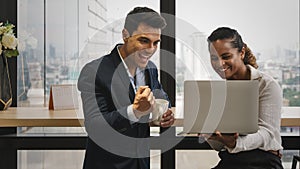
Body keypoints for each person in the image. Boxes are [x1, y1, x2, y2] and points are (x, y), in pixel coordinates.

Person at [77, 7, 174, 169]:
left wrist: (165, 113)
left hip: (141, 163)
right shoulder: (94, 71)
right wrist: (135, 111)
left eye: (155, 43)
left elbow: (161, 96)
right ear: (125, 35)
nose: (150, 49)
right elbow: (94, 126)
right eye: (143, 40)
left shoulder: (150, 68)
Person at [203, 27, 283, 169]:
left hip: (264, 162)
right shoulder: (220, 92)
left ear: (242, 52)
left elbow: (267, 134)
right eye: (214, 58)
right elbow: (219, 147)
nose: (219, 64)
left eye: (226, 56)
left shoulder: (266, 84)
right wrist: (211, 135)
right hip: (232, 161)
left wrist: (234, 143)